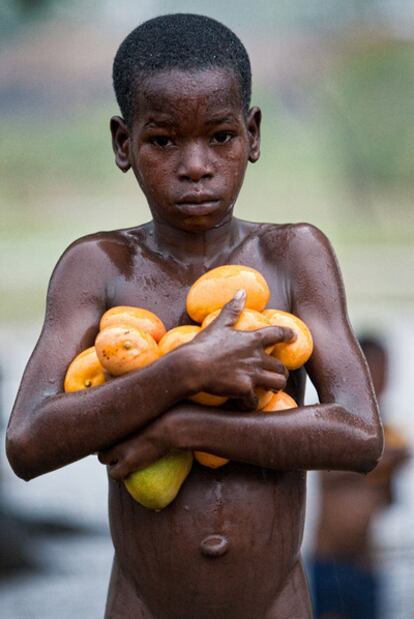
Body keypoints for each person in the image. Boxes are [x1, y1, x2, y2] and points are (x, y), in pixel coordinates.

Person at [6, 14, 382, 619]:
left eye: (220, 137)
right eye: (162, 141)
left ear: (252, 135)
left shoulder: (292, 256)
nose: (196, 165)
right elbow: (27, 443)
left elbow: (361, 435)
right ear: (123, 144)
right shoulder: (98, 266)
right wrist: (180, 374)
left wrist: (186, 430)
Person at [310, 336, 409, 619]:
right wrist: (390, 458)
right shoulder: (337, 419)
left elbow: (388, 501)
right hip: (331, 563)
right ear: (361, 369)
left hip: (367, 563)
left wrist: (390, 471)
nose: (386, 377)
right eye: (380, 367)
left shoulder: (387, 432)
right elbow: (331, 469)